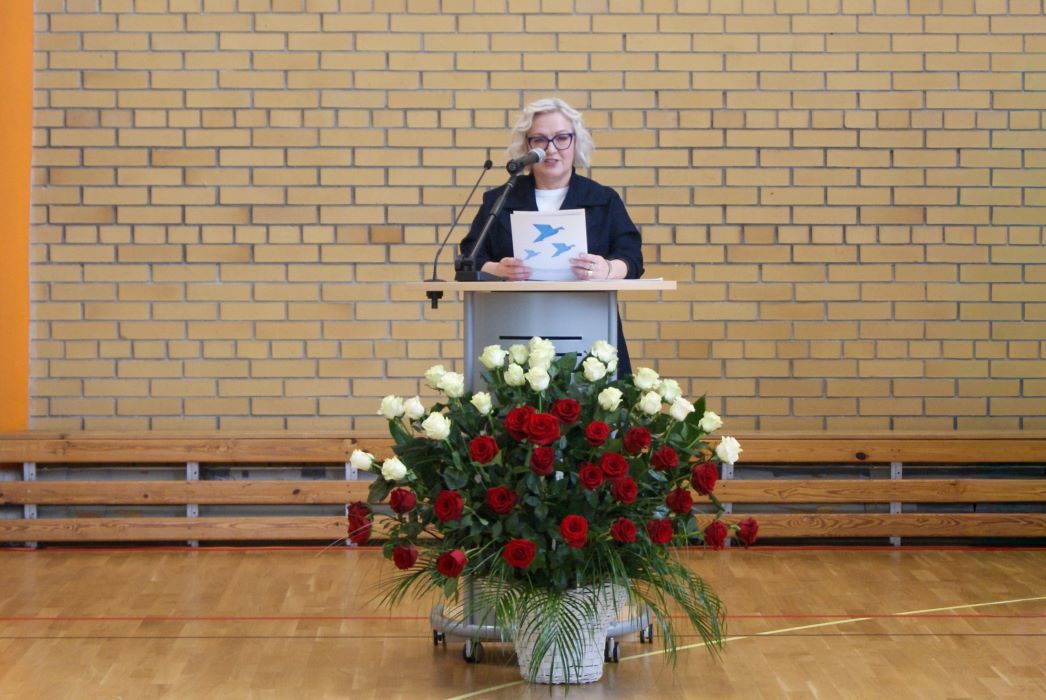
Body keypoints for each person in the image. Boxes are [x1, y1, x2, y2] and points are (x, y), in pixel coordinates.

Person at [459, 97, 645, 375]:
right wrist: (497, 269)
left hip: (589, 328)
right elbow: (470, 258)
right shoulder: (500, 199)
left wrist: (606, 269)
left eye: (561, 138)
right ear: (526, 147)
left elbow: (632, 259)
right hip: (516, 329)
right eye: (540, 140)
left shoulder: (603, 199)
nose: (551, 149)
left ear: (575, 142)